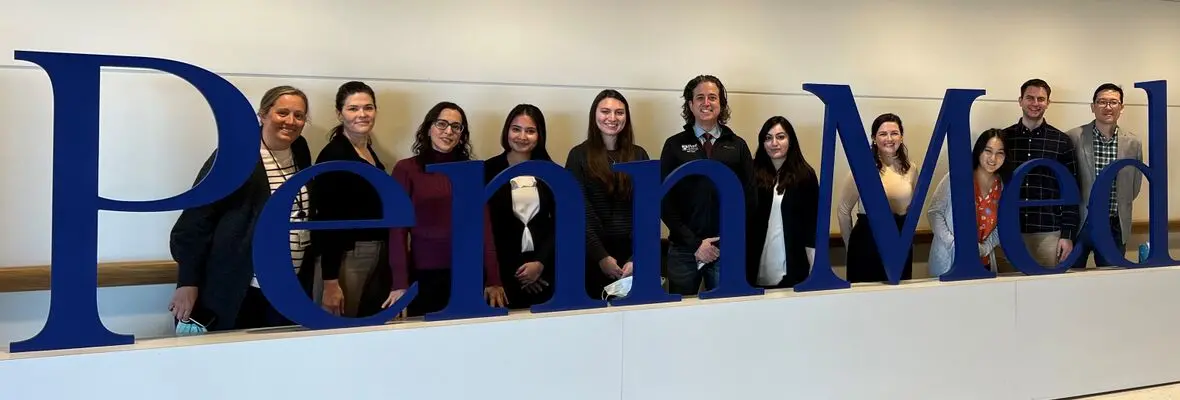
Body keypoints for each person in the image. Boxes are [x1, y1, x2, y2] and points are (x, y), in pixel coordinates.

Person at [168, 85, 315, 331]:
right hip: (243, 289)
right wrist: (188, 282)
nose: (291, 121)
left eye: (299, 115)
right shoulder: (234, 156)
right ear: (263, 114)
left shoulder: (300, 150)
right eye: (283, 113)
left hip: (289, 288)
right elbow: (194, 222)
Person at [383, 101, 507, 317]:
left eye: (456, 127)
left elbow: (483, 228)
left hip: (467, 272)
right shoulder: (406, 169)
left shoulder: (470, 171)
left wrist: (493, 278)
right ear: (428, 128)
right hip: (424, 274)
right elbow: (397, 231)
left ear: (462, 134)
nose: (448, 131)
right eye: (442, 124)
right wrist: (399, 283)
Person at [660, 75, 754, 296]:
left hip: (726, 249)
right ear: (690, 105)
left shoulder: (738, 146)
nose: (706, 103)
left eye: (713, 97)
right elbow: (663, 200)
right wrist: (695, 244)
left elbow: (749, 199)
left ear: (721, 104)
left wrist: (722, 241)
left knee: (726, 315)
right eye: (699, 97)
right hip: (683, 250)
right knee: (681, 316)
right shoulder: (674, 145)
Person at [309, 81, 389, 317]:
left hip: (374, 252)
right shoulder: (334, 155)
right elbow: (327, 220)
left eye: (368, 107)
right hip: (346, 257)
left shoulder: (367, 151)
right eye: (353, 108)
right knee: (337, 329)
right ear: (339, 113)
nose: (362, 114)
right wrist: (330, 281)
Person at [565, 89, 651, 299]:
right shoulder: (578, 156)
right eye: (605, 111)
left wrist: (636, 257)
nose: (612, 118)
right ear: (594, 115)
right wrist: (601, 257)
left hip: (632, 258)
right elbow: (578, 211)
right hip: (591, 256)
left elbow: (647, 212)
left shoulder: (639, 154)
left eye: (619, 113)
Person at [1001, 79, 1080, 270]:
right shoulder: (1003, 138)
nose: (1035, 103)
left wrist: (1068, 235)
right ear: (1020, 101)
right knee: (1006, 294)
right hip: (1008, 230)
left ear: (1048, 103)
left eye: (1040, 99)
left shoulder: (1062, 141)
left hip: (1048, 233)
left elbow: (1072, 190)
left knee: (1048, 293)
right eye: (1030, 98)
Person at [485, 104, 556, 308]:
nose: (522, 136)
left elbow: (560, 224)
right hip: (500, 276)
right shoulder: (487, 170)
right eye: (516, 129)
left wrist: (539, 264)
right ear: (507, 131)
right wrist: (518, 274)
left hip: (543, 275)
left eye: (530, 131)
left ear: (540, 135)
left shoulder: (552, 172)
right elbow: (485, 227)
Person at [1067, 83, 1143, 269]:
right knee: (1070, 281)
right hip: (1080, 223)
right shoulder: (1073, 137)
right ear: (1093, 107)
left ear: (1121, 107)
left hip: (1114, 224)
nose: (1107, 107)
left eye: (1113, 102)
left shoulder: (1133, 142)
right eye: (1102, 102)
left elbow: (1134, 186)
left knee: (1112, 284)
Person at [837, 113, 918, 283]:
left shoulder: (911, 169)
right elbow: (843, 211)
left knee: (898, 300)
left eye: (894, 133)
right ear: (874, 138)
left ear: (901, 137)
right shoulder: (861, 169)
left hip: (900, 242)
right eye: (883, 134)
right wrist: (850, 248)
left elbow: (912, 210)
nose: (889, 138)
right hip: (867, 243)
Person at [745, 116, 819, 289]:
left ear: (790, 140)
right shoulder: (750, 173)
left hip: (793, 265)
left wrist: (815, 266)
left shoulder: (805, 175)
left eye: (780, 137)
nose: (774, 143)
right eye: (768, 138)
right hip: (753, 264)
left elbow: (812, 223)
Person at [927, 129, 1009, 277]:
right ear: (979, 151)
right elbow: (934, 213)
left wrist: (984, 248)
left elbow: (1002, 224)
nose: (993, 158)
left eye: (1000, 153)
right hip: (950, 259)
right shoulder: (957, 176)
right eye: (988, 151)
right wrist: (954, 244)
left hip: (983, 262)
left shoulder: (1003, 185)